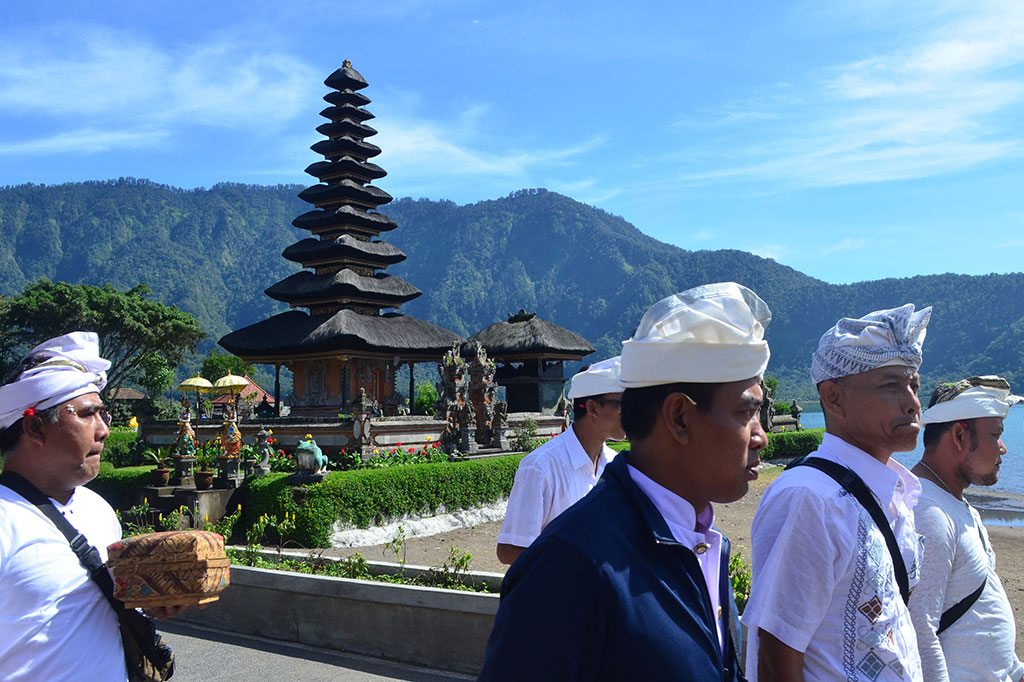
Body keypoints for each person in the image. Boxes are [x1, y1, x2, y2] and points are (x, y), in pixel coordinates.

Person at [479, 282, 770, 681]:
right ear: (680, 418)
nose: (760, 436)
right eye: (745, 413)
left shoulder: (702, 540)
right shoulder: (569, 567)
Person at [743, 304, 931, 681]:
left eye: (914, 385)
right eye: (891, 385)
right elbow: (775, 651)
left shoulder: (892, 492)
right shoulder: (810, 499)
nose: (912, 403)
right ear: (833, 398)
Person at [0, 332, 178, 681]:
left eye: (104, 415)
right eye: (88, 414)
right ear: (35, 426)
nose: (104, 430)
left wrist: (151, 601)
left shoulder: (98, 509)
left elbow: (100, 608)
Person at [909, 375, 1024, 682]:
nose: (1002, 449)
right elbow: (920, 633)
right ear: (960, 436)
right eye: (995, 435)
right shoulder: (927, 512)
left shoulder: (953, 504)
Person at [496, 356, 624, 565]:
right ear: (592, 408)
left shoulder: (615, 464)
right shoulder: (541, 466)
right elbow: (510, 549)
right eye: (622, 404)